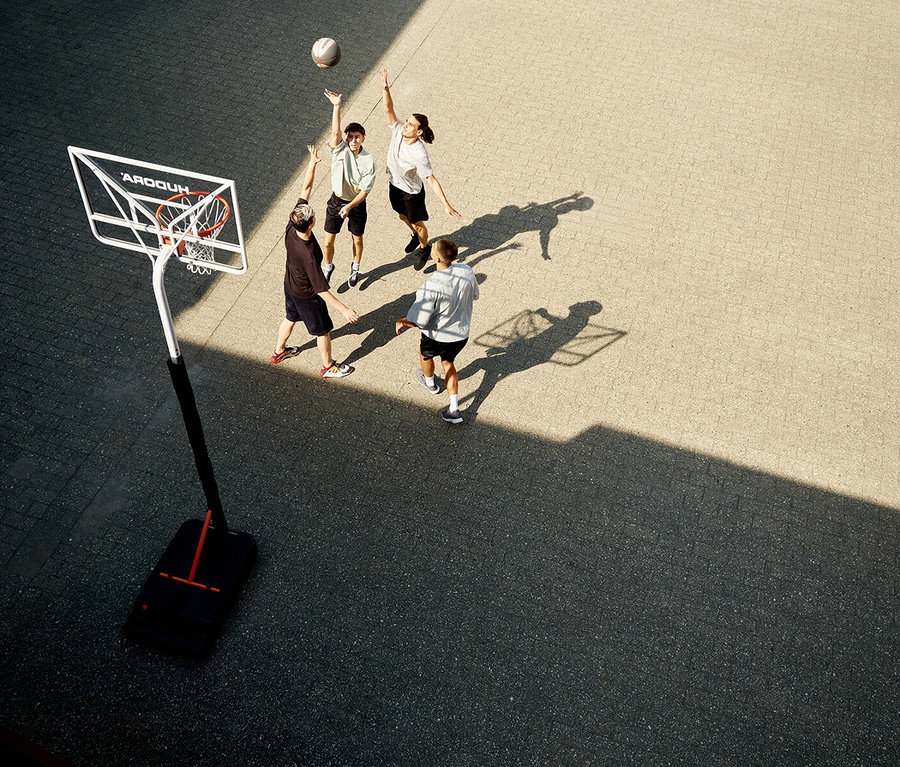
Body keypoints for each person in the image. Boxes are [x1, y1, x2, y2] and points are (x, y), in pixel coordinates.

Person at [271, 144, 360, 377]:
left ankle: (279, 351)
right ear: (311, 223)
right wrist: (344, 309)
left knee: (290, 316)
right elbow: (321, 289)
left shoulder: (292, 224)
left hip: (290, 284)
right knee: (323, 330)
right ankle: (328, 366)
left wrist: (312, 163)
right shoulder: (308, 253)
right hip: (306, 294)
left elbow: (306, 187)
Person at [381, 67, 462, 269]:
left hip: (411, 193)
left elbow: (431, 179)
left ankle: (424, 247)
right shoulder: (398, 130)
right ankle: (415, 236)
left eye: (410, 125)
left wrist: (446, 204)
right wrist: (385, 88)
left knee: (418, 224)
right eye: (407, 122)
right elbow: (388, 110)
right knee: (401, 216)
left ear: (418, 132)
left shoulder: (419, 153)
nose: (405, 125)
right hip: (394, 185)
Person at [395, 239, 478, 423]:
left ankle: (430, 383)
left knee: (425, 355)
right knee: (448, 364)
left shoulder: (430, 286)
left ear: (438, 259)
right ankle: (454, 409)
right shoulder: (467, 271)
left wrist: (403, 321)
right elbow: (475, 295)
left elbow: (419, 320)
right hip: (460, 334)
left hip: (436, 335)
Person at [321, 90, 377, 288]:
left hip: (356, 204)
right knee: (328, 242)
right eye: (350, 137)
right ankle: (328, 267)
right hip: (336, 201)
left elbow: (364, 192)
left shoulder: (368, 161)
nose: (353, 140)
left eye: (357, 137)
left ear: (363, 138)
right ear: (346, 138)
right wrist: (337, 106)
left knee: (357, 240)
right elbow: (335, 132)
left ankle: (355, 267)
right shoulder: (339, 149)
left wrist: (350, 206)